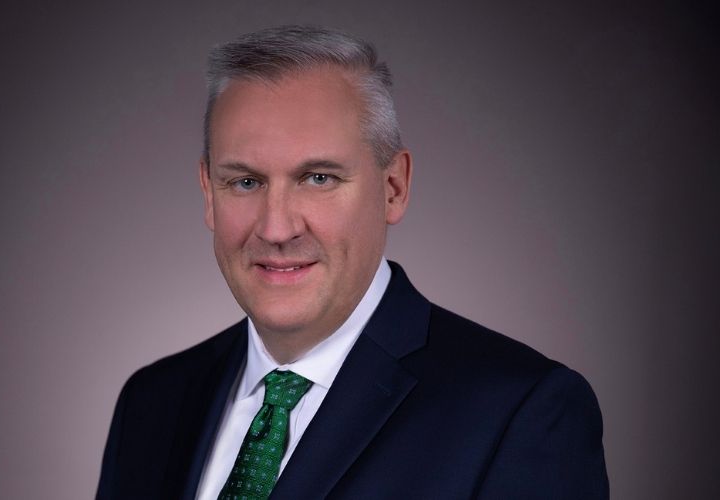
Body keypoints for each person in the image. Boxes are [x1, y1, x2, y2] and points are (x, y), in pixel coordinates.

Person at [96, 25, 608, 499]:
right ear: (209, 193)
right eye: (246, 182)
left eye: (318, 178)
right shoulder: (151, 403)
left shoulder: (519, 413)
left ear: (394, 187)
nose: (277, 229)